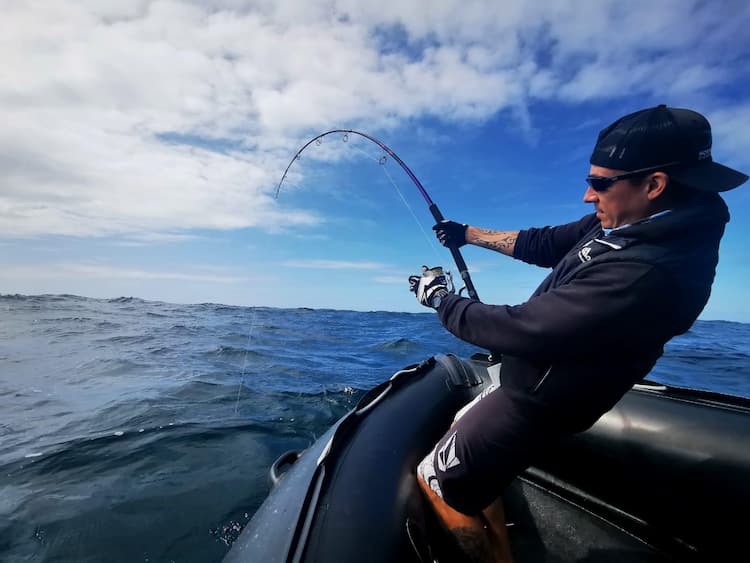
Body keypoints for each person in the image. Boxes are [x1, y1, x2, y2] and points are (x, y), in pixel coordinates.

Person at [408, 104, 748, 563]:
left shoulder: (648, 273)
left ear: (653, 184)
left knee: (438, 480)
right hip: (533, 386)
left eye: (600, 183)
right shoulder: (637, 217)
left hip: (540, 404)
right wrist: (467, 234)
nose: (589, 196)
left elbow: (521, 330)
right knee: (461, 444)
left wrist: (439, 300)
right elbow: (546, 243)